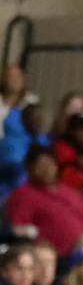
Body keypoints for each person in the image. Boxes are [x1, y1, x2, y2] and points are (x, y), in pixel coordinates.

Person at [7, 145, 83, 256]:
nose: (47, 170)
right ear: (29, 169)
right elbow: (20, 231)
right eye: (41, 166)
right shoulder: (24, 195)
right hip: (53, 257)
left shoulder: (69, 191)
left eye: (50, 164)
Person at [0, 65, 31, 206]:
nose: (15, 80)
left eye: (18, 76)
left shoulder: (29, 104)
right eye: (11, 76)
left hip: (20, 156)